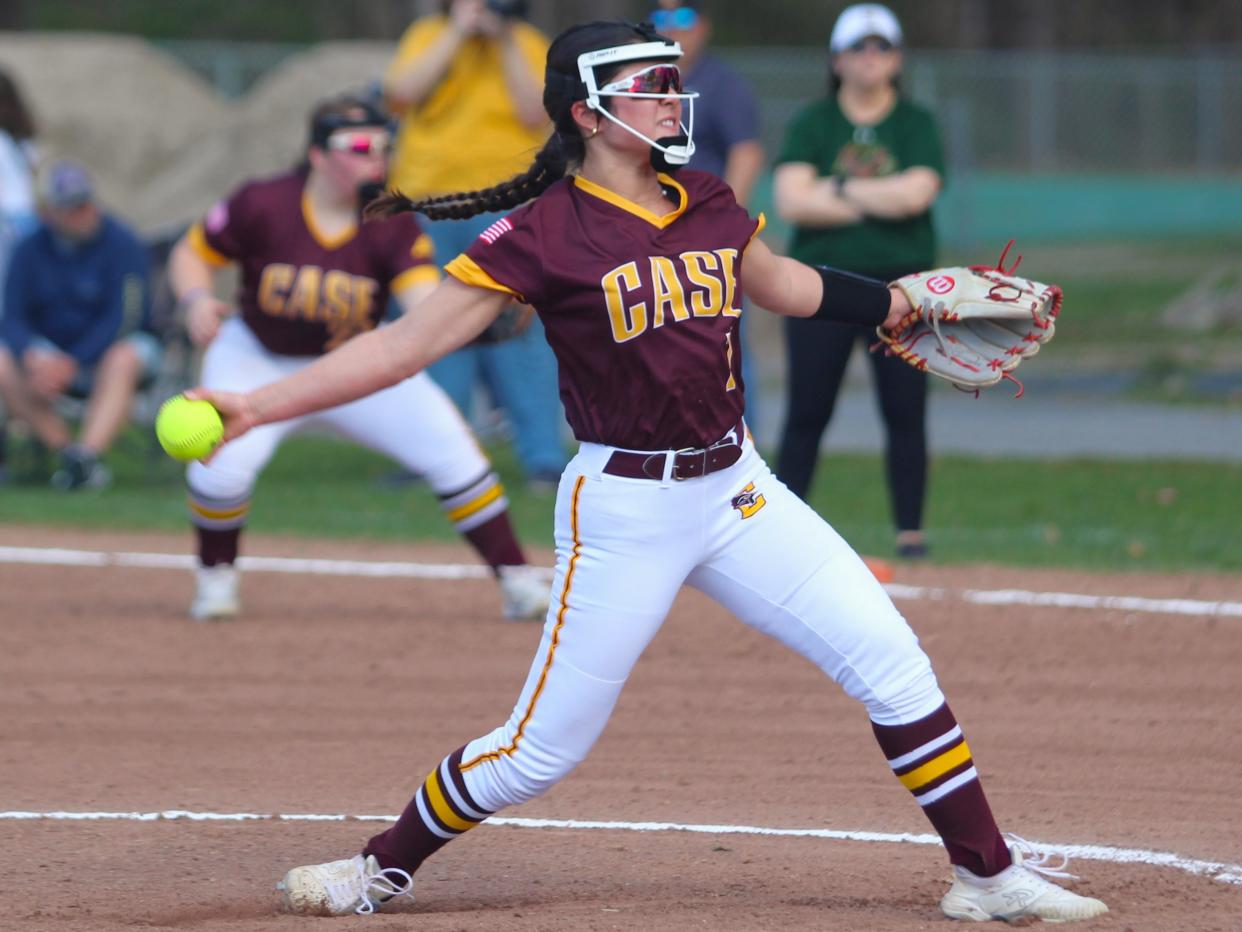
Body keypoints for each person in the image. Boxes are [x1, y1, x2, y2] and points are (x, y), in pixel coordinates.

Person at [192, 22, 1108, 924]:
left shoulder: (705, 198)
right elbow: (401, 348)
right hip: (625, 507)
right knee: (537, 752)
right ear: (588, 113)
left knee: (897, 668)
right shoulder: (539, 234)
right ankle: (377, 870)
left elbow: (786, 285)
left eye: (674, 81)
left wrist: (902, 300)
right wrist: (258, 404)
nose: (673, 97)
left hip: (738, 488)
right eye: (651, 85)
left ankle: (987, 878)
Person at [166, 94, 551, 623]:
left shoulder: (388, 221)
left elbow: (421, 303)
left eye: (385, 145)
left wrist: (473, 321)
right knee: (221, 468)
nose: (378, 157)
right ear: (318, 153)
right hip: (257, 354)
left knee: (455, 454)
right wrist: (194, 300)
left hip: (357, 362)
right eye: (361, 146)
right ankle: (216, 580)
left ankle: (516, 580)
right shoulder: (264, 201)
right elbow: (193, 252)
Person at [773, 3, 944, 560]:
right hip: (821, 282)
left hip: (903, 284)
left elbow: (918, 194)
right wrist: (880, 198)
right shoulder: (813, 122)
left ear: (897, 59)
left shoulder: (916, 123)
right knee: (807, 411)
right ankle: (782, 530)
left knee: (905, 410)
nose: (870, 59)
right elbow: (791, 200)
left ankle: (910, 533)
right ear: (837, 58)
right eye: (858, 48)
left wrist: (838, 190)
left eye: (882, 48)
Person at [383, 0, 567, 489]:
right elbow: (400, 93)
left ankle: (543, 459)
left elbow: (537, 112)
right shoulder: (430, 33)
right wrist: (458, 32)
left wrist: (503, 37)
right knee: (431, 328)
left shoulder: (526, 42)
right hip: (430, 205)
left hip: (506, 204)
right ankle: (436, 457)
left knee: (519, 330)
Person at [0, 159, 157, 491]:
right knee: (2, 360)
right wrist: (32, 354)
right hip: (49, 353)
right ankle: (70, 457)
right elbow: (12, 316)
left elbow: (126, 317)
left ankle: (88, 454)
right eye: (71, 207)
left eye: (85, 202)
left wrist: (76, 360)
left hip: (110, 349)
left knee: (124, 356)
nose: (83, 212)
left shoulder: (121, 242)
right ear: (47, 212)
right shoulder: (29, 249)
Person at [649, 0, 767, 431]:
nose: (672, 29)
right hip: (648, 237)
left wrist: (719, 223)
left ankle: (741, 444)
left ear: (704, 27)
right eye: (661, 19)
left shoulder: (722, 84)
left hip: (707, 239)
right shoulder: (643, 83)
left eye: (682, 18)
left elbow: (747, 153)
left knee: (724, 345)